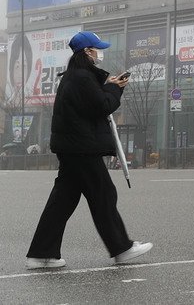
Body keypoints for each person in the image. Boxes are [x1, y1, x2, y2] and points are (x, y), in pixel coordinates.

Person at [26, 32, 153, 270]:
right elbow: (102, 106)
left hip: (72, 147)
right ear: (87, 52)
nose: (100, 53)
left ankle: (42, 253)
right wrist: (115, 90)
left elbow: (90, 104)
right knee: (103, 195)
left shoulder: (75, 77)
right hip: (81, 148)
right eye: (97, 48)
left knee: (62, 201)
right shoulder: (82, 78)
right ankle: (121, 248)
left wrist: (108, 86)